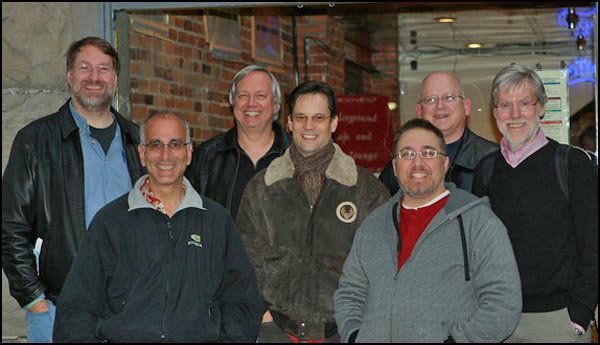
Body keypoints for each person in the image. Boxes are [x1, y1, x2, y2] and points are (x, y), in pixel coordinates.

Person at [53, 112, 263, 342]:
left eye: (175, 144)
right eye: (155, 145)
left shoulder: (217, 222)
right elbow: (77, 306)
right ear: (142, 154)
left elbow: (241, 300)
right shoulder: (111, 222)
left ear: (189, 152)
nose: (165, 155)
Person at [2, 36, 145, 343]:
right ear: (69, 75)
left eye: (103, 68)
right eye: (84, 67)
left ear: (115, 78)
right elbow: (10, 224)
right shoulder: (36, 140)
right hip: (59, 309)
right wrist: (33, 298)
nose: (94, 77)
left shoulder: (139, 142)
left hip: (131, 312)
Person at [333, 118, 522, 343]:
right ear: (394, 166)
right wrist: (355, 336)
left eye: (428, 153)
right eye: (407, 154)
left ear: (445, 163)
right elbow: (349, 292)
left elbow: (503, 304)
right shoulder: (373, 224)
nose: (418, 163)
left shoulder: (478, 223)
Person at [236, 81, 389, 342]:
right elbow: (245, 263)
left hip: (343, 332)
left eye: (318, 117)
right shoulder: (262, 187)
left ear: (334, 123)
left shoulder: (365, 189)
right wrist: (265, 320)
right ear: (290, 123)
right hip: (277, 332)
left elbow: (381, 267)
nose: (309, 126)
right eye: (301, 117)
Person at [472, 64, 598, 343]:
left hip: (557, 320)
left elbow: (593, 245)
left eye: (524, 103)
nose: (514, 114)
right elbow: (478, 249)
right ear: (495, 113)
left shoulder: (572, 164)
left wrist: (578, 315)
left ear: (541, 107)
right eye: (505, 105)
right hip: (498, 319)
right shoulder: (486, 170)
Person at [185, 65, 291, 220]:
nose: (251, 103)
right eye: (243, 95)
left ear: (276, 104)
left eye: (260, 95)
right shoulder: (206, 157)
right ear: (232, 102)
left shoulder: (297, 155)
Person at [378, 71, 498, 194]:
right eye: (431, 99)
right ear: (419, 111)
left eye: (449, 98)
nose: (440, 106)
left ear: (466, 106)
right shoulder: (400, 166)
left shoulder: (494, 159)